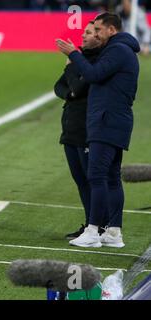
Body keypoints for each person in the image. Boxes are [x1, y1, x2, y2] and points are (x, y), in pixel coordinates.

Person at [56, 12, 140, 248]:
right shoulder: (121, 49)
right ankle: (113, 232)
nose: (96, 34)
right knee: (111, 177)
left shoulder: (118, 50)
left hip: (107, 121)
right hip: (113, 121)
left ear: (111, 30)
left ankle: (94, 231)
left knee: (97, 175)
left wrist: (73, 54)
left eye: (99, 30)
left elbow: (92, 75)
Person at [54, 21, 107, 240]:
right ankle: (91, 225)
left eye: (89, 32)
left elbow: (77, 86)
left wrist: (70, 65)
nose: (83, 36)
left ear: (99, 36)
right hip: (71, 128)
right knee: (80, 180)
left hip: (87, 129)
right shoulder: (80, 60)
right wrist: (71, 93)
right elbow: (59, 87)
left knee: (91, 179)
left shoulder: (96, 62)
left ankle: (99, 226)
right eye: (84, 32)